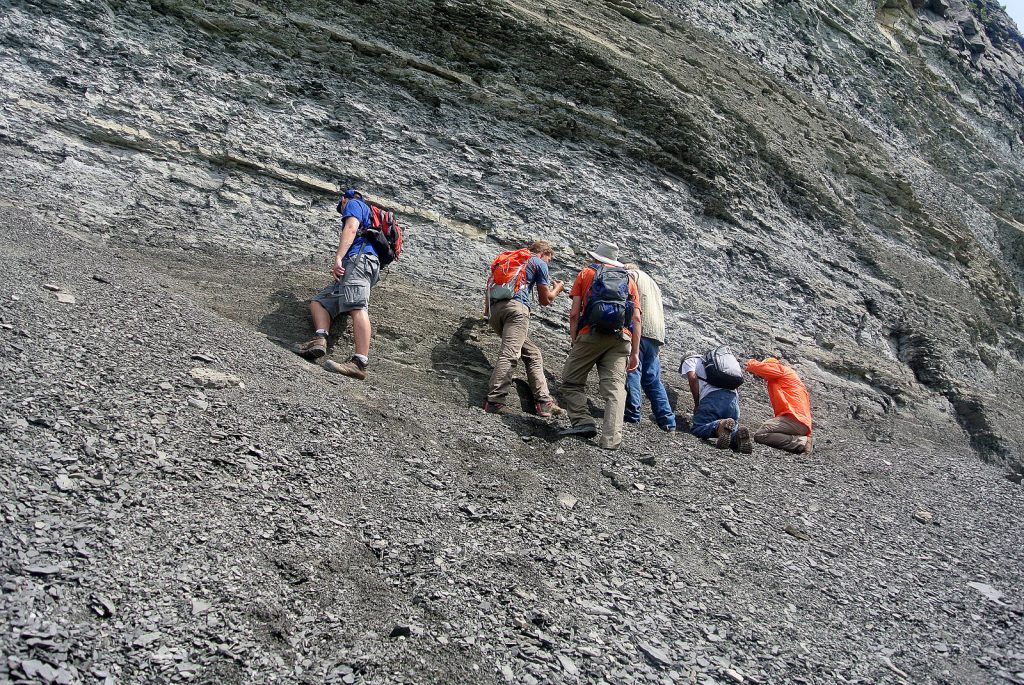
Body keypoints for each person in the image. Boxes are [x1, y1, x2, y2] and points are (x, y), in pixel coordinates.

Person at [558, 241, 641, 450]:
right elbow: (637, 318)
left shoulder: (586, 273)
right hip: (621, 338)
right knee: (615, 390)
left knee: (571, 381)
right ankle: (611, 441)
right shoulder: (629, 279)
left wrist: (575, 337)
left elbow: (575, 312)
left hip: (591, 334)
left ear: (596, 257)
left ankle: (583, 421)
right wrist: (635, 353)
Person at [292, 188, 379, 380]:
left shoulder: (355, 204)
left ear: (343, 200)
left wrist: (338, 257)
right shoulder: (369, 215)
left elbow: (351, 227)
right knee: (320, 302)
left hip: (359, 261)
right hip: (355, 264)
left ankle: (359, 363)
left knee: (357, 307)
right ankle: (320, 339)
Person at [483, 240, 566, 417]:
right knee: (510, 354)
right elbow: (545, 300)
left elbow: (490, 284)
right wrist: (557, 289)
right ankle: (495, 401)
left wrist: (486, 314)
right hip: (516, 311)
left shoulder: (510, 260)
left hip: (495, 312)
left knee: (533, 353)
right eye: (549, 259)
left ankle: (544, 402)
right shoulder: (538, 262)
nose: (548, 263)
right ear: (544, 253)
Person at [622, 264, 676, 432]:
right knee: (652, 380)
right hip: (656, 334)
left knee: (633, 370)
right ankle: (667, 420)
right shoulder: (653, 283)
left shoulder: (630, 274)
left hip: (640, 329)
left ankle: (632, 414)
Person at [680, 350, 753, 453]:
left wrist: (697, 404)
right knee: (730, 430)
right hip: (732, 400)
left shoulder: (689, 360)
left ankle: (719, 425)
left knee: (698, 428)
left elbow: (692, 378)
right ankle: (737, 436)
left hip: (712, 398)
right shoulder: (715, 362)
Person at [745, 357, 813, 454]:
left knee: (761, 434)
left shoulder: (781, 370)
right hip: (800, 422)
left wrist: (749, 363)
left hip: (795, 419)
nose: (763, 378)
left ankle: (801, 442)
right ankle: (800, 440)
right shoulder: (788, 379)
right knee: (767, 430)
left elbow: (757, 367)